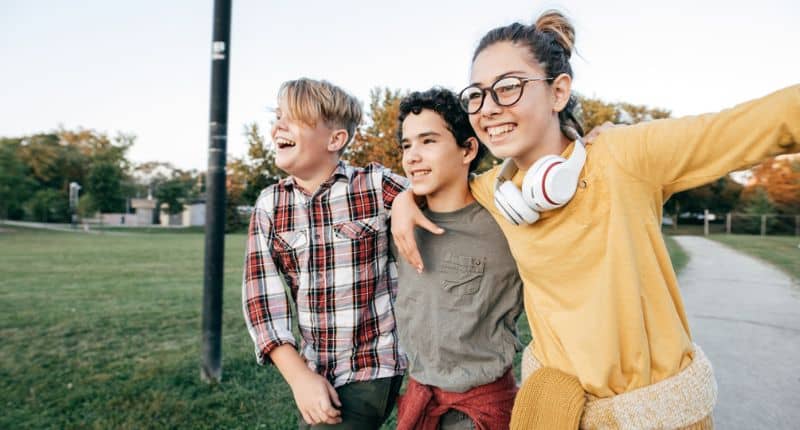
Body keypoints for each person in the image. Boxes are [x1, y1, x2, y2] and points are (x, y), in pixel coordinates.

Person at [391, 10, 800, 429]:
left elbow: (769, 121)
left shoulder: (626, 155)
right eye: (477, 95)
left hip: (655, 417)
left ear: (558, 92)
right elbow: (437, 180)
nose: (489, 109)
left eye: (509, 87)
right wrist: (406, 199)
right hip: (553, 412)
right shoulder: (497, 190)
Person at [242, 78, 407, 429]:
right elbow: (261, 302)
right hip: (314, 367)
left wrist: (408, 202)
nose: (277, 127)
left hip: (373, 365)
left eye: (294, 118)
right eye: (278, 115)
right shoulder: (270, 204)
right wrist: (299, 378)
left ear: (335, 140)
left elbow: (437, 192)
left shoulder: (374, 186)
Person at [390, 88, 523, 430]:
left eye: (428, 141)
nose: (413, 156)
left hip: (482, 409)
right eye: (407, 145)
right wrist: (403, 201)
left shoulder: (504, 221)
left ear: (467, 149)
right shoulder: (401, 224)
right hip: (421, 400)